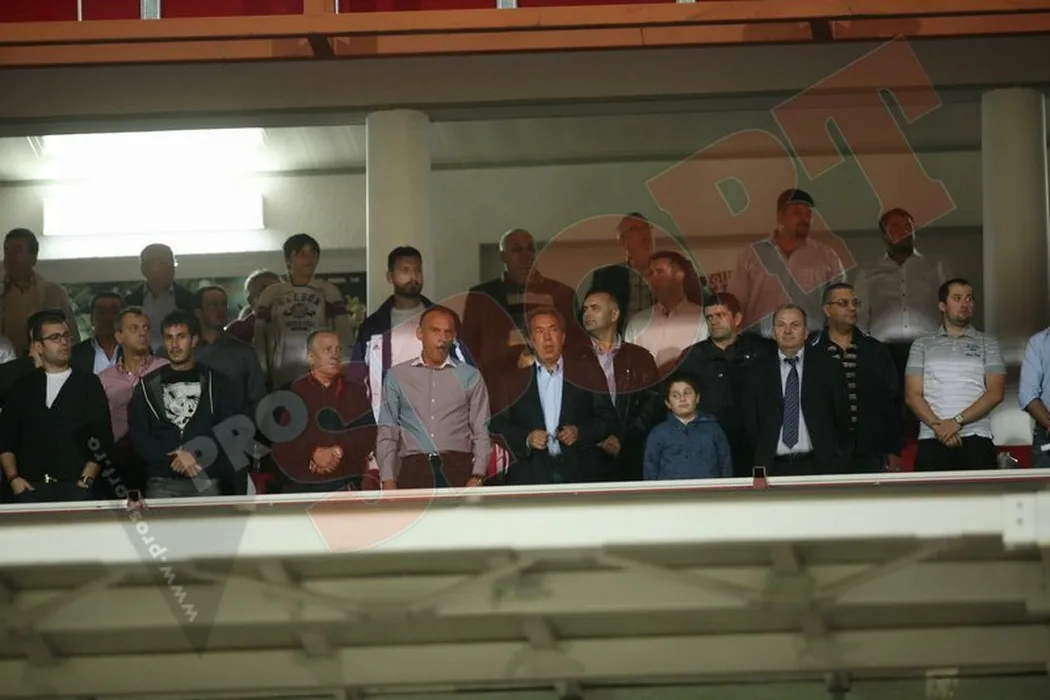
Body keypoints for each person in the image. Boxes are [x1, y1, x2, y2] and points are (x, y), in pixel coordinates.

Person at [489, 306, 618, 485]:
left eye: (553, 330)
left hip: (580, 473)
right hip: (531, 475)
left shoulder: (588, 373)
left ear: (563, 337)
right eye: (539, 331)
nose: (547, 338)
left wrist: (580, 432)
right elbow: (497, 425)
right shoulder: (512, 381)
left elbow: (608, 417)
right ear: (530, 340)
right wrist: (526, 438)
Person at [128, 310, 243, 498]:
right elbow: (139, 436)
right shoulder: (147, 386)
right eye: (169, 338)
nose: (174, 345)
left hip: (205, 477)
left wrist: (195, 454)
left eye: (181, 337)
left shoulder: (218, 383)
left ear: (194, 340)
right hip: (162, 480)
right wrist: (175, 458)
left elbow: (230, 431)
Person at [0, 309, 112, 502]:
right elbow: (6, 437)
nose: (63, 342)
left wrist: (85, 481)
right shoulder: (23, 386)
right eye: (55, 337)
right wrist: (13, 478)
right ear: (39, 346)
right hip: (28, 489)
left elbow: (102, 437)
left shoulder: (88, 383)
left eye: (66, 336)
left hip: (76, 489)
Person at [377, 306, 491, 490]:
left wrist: (477, 475)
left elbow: (481, 430)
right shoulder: (397, 376)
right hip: (413, 470)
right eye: (435, 331)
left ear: (454, 337)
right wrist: (388, 479)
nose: (442, 338)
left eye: (448, 332)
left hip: (458, 468)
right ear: (420, 333)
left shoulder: (470, 376)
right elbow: (388, 431)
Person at [905, 278, 1005, 471]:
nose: (965, 304)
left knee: (981, 492)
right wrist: (940, 427)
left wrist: (956, 422)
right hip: (932, 436)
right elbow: (912, 394)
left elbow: (996, 393)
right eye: (957, 298)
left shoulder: (989, 343)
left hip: (977, 437)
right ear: (942, 306)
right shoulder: (922, 344)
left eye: (969, 298)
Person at [741, 304, 850, 476]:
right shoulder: (755, 372)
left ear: (806, 332)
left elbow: (842, 420)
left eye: (795, 325)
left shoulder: (829, 368)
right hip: (772, 468)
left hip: (819, 467)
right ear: (773, 332)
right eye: (781, 325)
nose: (787, 331)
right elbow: (750, 424)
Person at [674, 293, 774, 476]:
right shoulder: (692, 357)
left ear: (737, 318)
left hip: (753, 447)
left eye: (720, 315)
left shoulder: (759, 352)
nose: (714, 321)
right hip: (708, 449)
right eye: (709, 317)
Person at [808, 282, 903, 472]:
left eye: (855, 303)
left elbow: (893, 402)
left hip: (871, 450)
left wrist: (893, 449)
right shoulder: (811, 350)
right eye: (843, 303)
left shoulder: (875, 350)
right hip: (823, 451)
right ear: (827, 310)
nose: (852, 308)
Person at [727, 189, 846, 337]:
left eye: (808, 213)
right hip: (759, 341)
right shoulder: (751, 255)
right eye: (797, 212)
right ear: (780, 217)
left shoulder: (827, 257)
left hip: (811, 341)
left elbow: (841, 303)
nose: (805, 218)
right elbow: (735, 303)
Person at [272, 330, 377, 492]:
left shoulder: (355, 391)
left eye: (338, 349)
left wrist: (338, 451)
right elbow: (281, 445)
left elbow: (368, 434)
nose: (335, 355)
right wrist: (313, 453)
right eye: (328, 350)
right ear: (311, 357)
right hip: (304, 488)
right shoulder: (295, 391)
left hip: (345, 486)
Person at [579, 288, 661, 481]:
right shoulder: (573, 358)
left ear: (614, 314)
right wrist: (592, 437)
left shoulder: (640, 358)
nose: (587, 314)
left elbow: (651, 405)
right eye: (585, 309)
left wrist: (622, 438)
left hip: (629, 455)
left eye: (595, 308)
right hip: (585, 457)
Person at [254, 233, 355, 390]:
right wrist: (262, 375)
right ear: (288, 259)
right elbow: (260, 339)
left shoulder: (328, 291)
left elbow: (343, 334)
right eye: (302, 254)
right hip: (281, 375)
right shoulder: (271, 294)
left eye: (313, 254)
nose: (309, 259)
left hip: (321, 376)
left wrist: (343, 370)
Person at [1, 228, 80, 355]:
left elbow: (72, 338)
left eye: (17, 250)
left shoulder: (53, 293)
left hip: (44, 362)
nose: (10, 257)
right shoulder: (3, 292)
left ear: (33, 257)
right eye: (6, 251)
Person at [644, 372, 732, 480]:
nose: (682, 399)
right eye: (675, 395)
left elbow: (726, 466)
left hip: (708, 490)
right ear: (668, 403)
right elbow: (650, 472)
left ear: (697, 398)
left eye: (687, 393)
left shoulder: (714, 429)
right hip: (671, 491)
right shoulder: (658, 433)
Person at [124, 243, 195, 352]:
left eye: (170, 263)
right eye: (160, 263)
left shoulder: (188, 299)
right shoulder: (130, 301)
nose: (168, 267)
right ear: (144, 268)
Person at [70, 291, 122, 375]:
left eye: (113, 312)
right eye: (102, 312)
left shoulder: (134, 350)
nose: (107, 317)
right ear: (92, 318)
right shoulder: (76, 354)